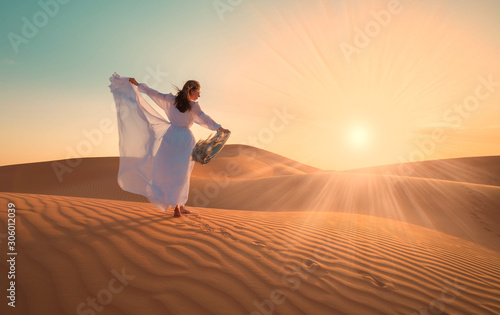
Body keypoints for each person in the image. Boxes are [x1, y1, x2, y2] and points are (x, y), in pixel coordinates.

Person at [109, 73, 229, 217]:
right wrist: (220, 128)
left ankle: (179, 205)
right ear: (191, 90)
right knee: (182, 174)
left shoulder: (170, 100)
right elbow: (205, 118)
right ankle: (177, 206)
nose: (199, 95)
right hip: (185, 139)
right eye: (198, 91)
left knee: (167, 171)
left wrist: (138, 84)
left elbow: (153, 93)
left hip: (171, 137)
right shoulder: (193, 105)